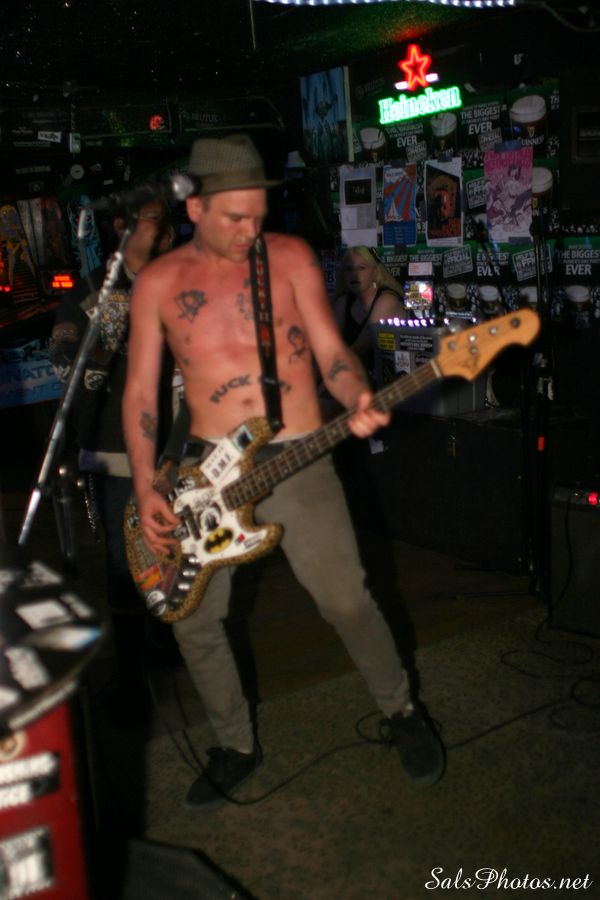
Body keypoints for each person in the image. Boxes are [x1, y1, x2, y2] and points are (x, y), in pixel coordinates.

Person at [122, 134, 444, 806]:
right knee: (193, 621)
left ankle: (402, 711)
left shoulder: (290, 257)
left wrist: (356, 393)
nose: (250, 230)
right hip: (205, 476)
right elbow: (141, 394)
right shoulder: (157, 283)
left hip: (297, 457)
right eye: (234, 217)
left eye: (257, 215)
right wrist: (148, 482)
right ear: (194, 209)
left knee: (346, 599)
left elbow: (331, 352)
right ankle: (234, 744)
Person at [49, 197, 176, 721]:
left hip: (175, 450)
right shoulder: (91, 291)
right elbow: (63, 360)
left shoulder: (178, 282)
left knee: (176, 554)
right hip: (111, 451)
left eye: (166, 224)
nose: (164, 233)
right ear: (121, 225)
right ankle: (130, 681)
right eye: (150, 220)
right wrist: (103, 334)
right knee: (125, 567)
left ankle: (167, 646)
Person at [321, 246, 406, 419]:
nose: (354, 274)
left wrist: (322, 386)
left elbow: (361, 348)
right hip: (352, 378)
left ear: (375, 272)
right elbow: (330, 347)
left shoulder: (386, 299)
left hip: (386, 382)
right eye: (348, 269)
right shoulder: (344, 302)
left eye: (361, 268)